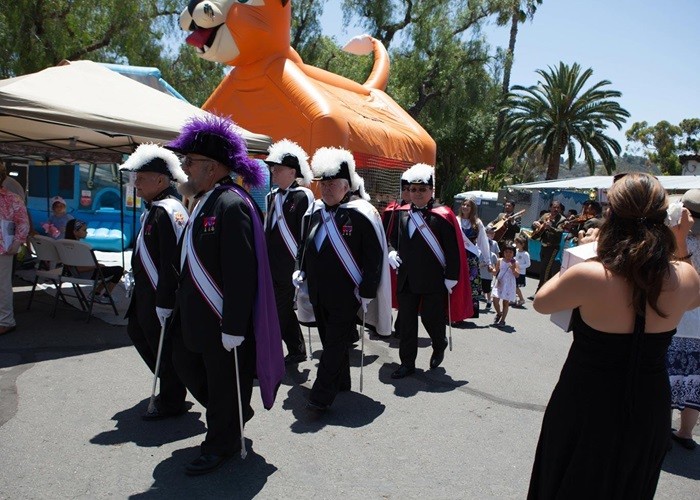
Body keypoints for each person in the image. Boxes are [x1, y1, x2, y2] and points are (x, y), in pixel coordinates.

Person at [527, 173, 700, 499]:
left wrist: (589, 249)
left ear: (613, 214)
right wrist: (679, 244)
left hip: (587, 399)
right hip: (649, 401)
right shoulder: (685, 277)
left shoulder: (591, 274)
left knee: (569, 479)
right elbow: (694, 298)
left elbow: (542, 302)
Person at [165, 115, 284, 475]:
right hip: (196, 313)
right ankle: (232, 414)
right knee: (185, 363)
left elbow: (240, 271)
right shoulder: (205, 200)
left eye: (190, 161)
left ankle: (221, 443)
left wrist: (233, 325)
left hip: (221, 318)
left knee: (221, 383)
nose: (185, 167)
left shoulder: (231, 204)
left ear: (212, 167)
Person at [294, 146, 390, 410]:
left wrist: (368, 290)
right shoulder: (314, 212)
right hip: (318, 291)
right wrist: (299, 269)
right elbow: (304, 247)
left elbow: (373, 257)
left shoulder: (361, 214)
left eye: (332, 184)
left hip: (347, 293)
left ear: (346, 187)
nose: (326, 188)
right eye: (323, 184)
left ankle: (320, 397)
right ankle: (342, 381)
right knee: (330, 340)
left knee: (334, 344)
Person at [118, 144, 190, 420]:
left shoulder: (169, 210)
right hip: (146, 291)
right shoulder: (154, 208)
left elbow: (172, 261)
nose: (135, 183)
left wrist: (165, 301)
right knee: (137, 332)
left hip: (160, 294)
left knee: (163, 346)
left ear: (160, 180)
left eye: (141, 177)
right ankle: (172, 385)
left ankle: (172, 398)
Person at [387, 163, 472, 379]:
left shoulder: (442, 216)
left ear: (431, 190)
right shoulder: (402, 214)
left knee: (431, 319)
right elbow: (392, 240)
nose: (417, 193)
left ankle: (439, 342)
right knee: (407, 324)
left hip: (433, 279)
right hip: (407, 278)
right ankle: (407, 363)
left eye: (422, 189)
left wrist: (451, 277)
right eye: (413, 189)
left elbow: (453, 250)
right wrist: (391, 251)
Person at [263, 139, 314, 365]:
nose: (273, 172)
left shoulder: (303, 195)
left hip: (290, 264)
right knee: (277, 310)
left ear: (292, 172)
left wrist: (301, 266)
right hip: (272, 263)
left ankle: (291, 350)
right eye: (273, 169)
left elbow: (306, 233)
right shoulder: (272, 196)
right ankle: (295, 348)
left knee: (280, 310)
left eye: (278, 169)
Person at [667, 188, 700, 450]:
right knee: (695, 380)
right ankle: (686, 432)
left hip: (675, 318)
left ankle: (659, 429)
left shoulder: (674, 241)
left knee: (666, 376)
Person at [64, 219, 124, 303]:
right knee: (118, 270)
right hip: (84, 274)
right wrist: (96, 266)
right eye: (84, 230)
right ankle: (106, 296)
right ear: (75, 232)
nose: (86, 232)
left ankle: (96, 294)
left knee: (107, 271)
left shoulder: (64, 245)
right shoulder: (80, 247)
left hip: (72, 273)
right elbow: (79, 268)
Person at [0, 168, 29, 335]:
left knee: (2, 285)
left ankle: (6, 321)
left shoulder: (12, 198)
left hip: (3, 248)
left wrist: (17, 242)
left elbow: (23, 222)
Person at [457, 198, 490, 318]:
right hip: (458, 256)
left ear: (472, 208)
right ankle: (456, 312)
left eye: (468, 205)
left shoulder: (477, 223)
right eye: (464, 204)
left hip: (471, 258)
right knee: (457, 284)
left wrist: (487, 260)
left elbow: (483, 241)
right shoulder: (456, 220)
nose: (465, 207)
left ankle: (468, 312)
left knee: (471, 286)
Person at [530, 200, 565, 290]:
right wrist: (535, 224)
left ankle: (540, 290)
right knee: (545, 268)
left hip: (553, 247)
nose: (556, 209)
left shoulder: (562, 219)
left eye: (558, 208)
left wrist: (551, 228)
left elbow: (560, 232)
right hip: (543, 245)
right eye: (554, 207)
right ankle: (548, 288)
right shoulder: (545, 215)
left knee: (545, 269)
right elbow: (536, 226)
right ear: (550, 208)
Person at [490, 240, 519, 326]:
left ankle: (503, 320)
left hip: (509, 284)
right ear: (503, 252)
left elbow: (517, 275)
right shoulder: (500, 260)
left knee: (505, 302)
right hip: (500, 282)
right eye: (506, 252)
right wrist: (491, 269)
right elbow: (495, 272)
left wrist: (513, 269)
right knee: (495, 300)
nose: (508, 254)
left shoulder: (515, 262)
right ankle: (499, 313)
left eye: (510, 252)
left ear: (513, 253)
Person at [480, 226, 500, 310]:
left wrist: (495, 270)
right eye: (491, 232)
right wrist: (482, 264)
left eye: (493, 232)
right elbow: (477, 264)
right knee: (479, 288)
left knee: (487, 289)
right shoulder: (480, 254)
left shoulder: (493, 254)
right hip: (480, 274)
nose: (493, 234)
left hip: (488, 275)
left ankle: (489, 301)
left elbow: (497, 262)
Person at [513, 235, 530, 306]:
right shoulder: (516, 251)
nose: (516, 244)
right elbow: (514, 259)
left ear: (522, 244)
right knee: (513, 286)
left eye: (517, 243)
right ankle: (513, 299)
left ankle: (521, 299)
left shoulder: (525, 254)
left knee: (515, 287)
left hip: (520, 273)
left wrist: (519, 266)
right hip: (514, 271)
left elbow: (528, 264)